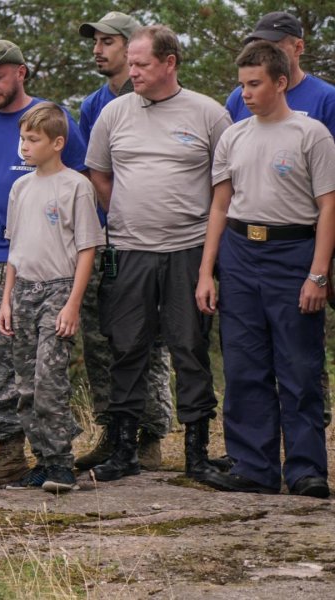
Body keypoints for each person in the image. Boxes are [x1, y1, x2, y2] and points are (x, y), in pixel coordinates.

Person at [85, 25, 231, 483]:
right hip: (128, 251)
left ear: (169, 63)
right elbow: (99, 175)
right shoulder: (114, 113)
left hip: (188, 250)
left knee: (190, 348)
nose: (133, 72)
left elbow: (224, 189)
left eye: (142, 64)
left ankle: (196, 454)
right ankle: (125, 450)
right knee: (126, 348)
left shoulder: (209, 114)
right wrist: (130, 217)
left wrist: (206, 257)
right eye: (130, 63)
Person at [195, 42, 335, 498]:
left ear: (280, 81)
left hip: (293, 253)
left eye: (255, 84)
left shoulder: (311, 134)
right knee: (244, 366)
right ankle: (254, 466)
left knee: (297, 366)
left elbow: (328, 207)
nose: (247, 93)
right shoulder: (234, 136)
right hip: (240, 253)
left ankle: (306, 470)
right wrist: (206, 270)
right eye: (241, 85)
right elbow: (219, 205)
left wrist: (318, 273)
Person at [0, 39, 88, 486]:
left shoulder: (54, 117)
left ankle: (55, 451)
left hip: (53, 268)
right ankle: (11, 453)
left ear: (21, 73)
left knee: (45, 366)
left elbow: (82, 181)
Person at [226, 10, 335, 428]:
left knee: (301, 353)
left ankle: (310, 441)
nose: (268, 49)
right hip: (250, 243)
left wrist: (320, 268)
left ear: (298, 48)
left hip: (307, 236)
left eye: (277, 43)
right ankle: (256, 458)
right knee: (251, 357)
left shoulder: (324, 100)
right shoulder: (240, 99)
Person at [74, 11, 173, 472]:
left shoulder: (166, 99)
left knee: (150, 339)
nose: (98, 49)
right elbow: (91, 173)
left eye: (108, 42)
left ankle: (152, 434)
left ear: (135, 46)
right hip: (106, 238)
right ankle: (114, 432)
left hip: (157, 240)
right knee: (103, 339)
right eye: (95, 42)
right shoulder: (94, 105)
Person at [0, 102, 104, 491]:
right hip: (23, 288)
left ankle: (62, 463)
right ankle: (42, 460)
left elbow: (89, 248)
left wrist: (73, 303)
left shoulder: (77, 185)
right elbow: (14, 250)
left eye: (33, 139)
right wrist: (6, 300)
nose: (24, 146)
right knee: (25, 382)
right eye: (22, 138)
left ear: (57, 143)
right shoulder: (20, 187)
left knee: (49, 378)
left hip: (59, 287)